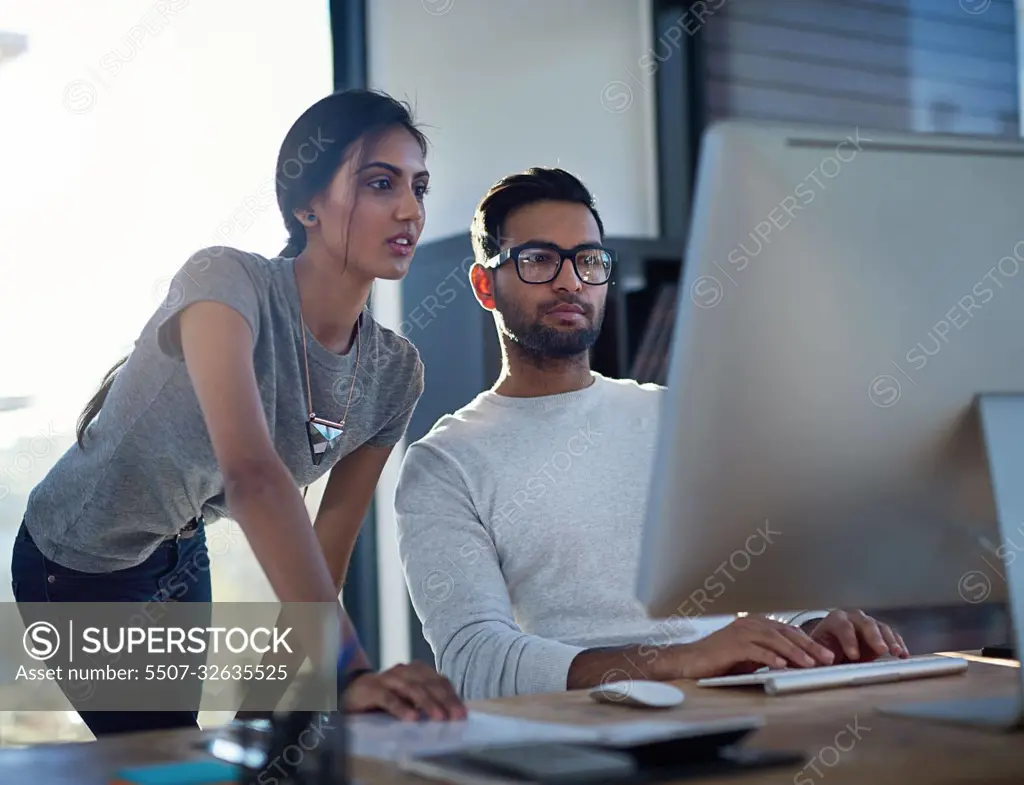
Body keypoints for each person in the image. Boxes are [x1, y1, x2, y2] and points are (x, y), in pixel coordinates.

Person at [10, 88, 466, 736]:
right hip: (79, 556)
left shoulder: (396, 374)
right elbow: (252, 476)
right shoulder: (225, 282)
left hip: (178, 555)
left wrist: (264, 722)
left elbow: (323, 556)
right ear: (307, 204)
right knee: (163, 752)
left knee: (228, 751)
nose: (408, 209)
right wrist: (354, 672)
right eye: (379, 182)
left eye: (419, 186)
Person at [395, 167, 909, 701]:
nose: (570, 281)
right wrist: (680, 661)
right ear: (485, 285)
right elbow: (475, 662)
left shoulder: (672, 416)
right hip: (585, 730)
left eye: (588, 260)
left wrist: (814, 628)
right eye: (540, 260)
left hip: (740, 702)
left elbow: (760, 572)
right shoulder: (445, 462)